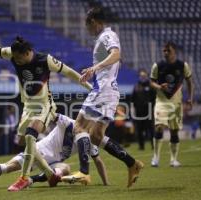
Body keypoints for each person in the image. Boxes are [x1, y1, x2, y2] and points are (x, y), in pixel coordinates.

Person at [0, 36, 92, 191]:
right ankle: (49, 174)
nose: (16, 61)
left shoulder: (45, 60)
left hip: (45, 106)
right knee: (24, 142)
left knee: (31, 135)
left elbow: (69, 72)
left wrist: (91, 89)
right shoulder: (12, 53)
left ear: (27, 53)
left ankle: (23, 178)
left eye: (19, 58)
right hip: (28, 107)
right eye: (14, 58)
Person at [61, 7, 144, 188]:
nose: (87, 29)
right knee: (96, 136)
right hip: (110, 92)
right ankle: (132, 163)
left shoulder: (107, 36)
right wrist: (102, 70)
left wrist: (95, 68)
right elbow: (116, 60)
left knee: (79, 127)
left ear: (94, 21)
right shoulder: (105, 37)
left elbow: (116, 55)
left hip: (102, 90)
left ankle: (84, 172)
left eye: (87, 24)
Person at [0, 114, 109, 189]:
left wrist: (106, 184)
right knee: (10, 167)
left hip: (55, 162)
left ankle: (31, 180)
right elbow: (52, 114)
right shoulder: (68, 122)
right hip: (38, 150)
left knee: (65, 168)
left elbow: (98, 161)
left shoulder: (88, 141)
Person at [150, 41, 194, 167]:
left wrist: (190, 99)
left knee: (174, 131)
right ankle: (155, 158)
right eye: (164, 50)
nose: (166, 53)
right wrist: (159, 86)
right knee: (159, 127)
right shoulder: (157, 65)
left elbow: (190, 82)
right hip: (162, 101)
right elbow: (151, 82)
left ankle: (173, 160)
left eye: (168, 50)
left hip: (176, 103)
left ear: (174, 51)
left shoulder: (183, 65)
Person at [131, 69, 155, 150]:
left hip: (149, 111)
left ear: (147, 76)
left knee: (151, 129)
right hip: (139, 112)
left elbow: (154, 98)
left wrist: (152, 107)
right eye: (141, 76)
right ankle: (141, 146)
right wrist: (133, 109)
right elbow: (133, 99)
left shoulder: (151, 86)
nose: (142, 77)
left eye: (144, 76)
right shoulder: (136, 86)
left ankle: (153, 145)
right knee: (140, 129)